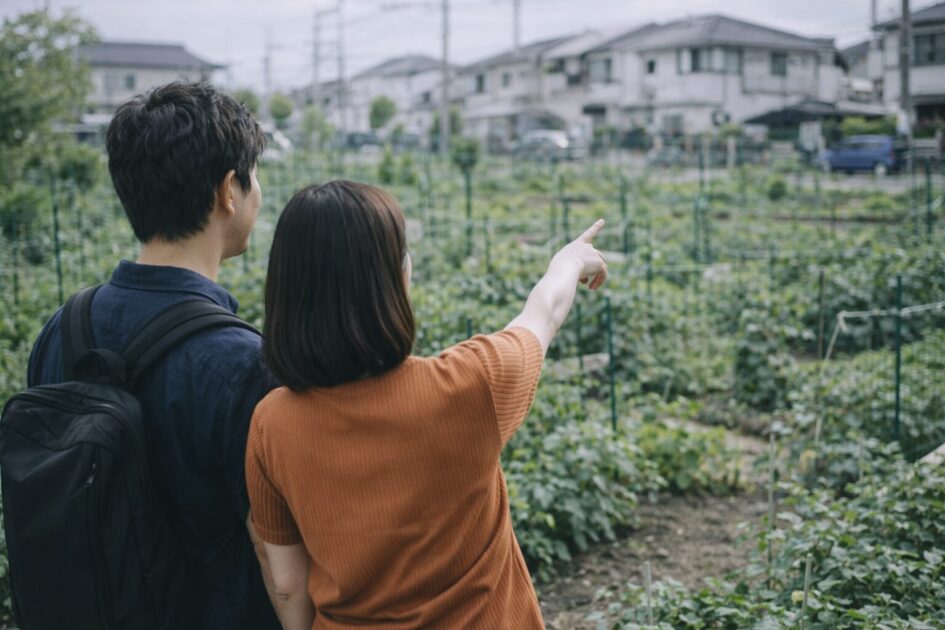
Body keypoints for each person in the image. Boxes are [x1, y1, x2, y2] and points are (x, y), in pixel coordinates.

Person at [246, 180, 608, 629]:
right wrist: (569, 260)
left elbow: (287, 582)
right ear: (398, 279)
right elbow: (545, 312)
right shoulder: (471, 384)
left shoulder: (271, 424)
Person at [27, 82, 281, 629]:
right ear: (227, 192)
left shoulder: (63, 328)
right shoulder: (245, 365)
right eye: (253, 175)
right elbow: (274, 552)